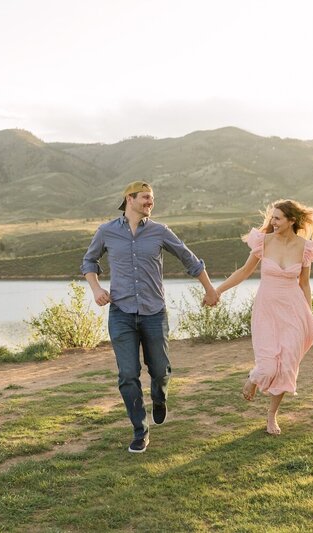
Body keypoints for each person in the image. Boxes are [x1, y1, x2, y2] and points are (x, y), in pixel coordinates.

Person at [81, 181, 218, 453]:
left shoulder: (159, 231)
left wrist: (210, 288)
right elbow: (89, 261)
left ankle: (159, 397)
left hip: (154, 313)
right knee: (128, 375)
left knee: (160, 370)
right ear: (129, 199)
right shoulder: (107, 231)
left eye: (151, 199)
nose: (150, 203)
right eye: (145, 198)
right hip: (121, 313)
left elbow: (189, 259)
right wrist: (96, 288)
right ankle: (139, 431)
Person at [214, 199, 313, 435]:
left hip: (294, 310)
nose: (272, 222)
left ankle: (271, 416)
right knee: (268, 366)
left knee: (287, 365)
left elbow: (304, 283)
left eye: (277, 218)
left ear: (291, 220)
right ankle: (254, 377)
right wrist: (218, 291)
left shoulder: (305, 247)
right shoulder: (263, 242)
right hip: (267, 309)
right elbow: (244, 272)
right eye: (272, 218)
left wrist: (308, 313)